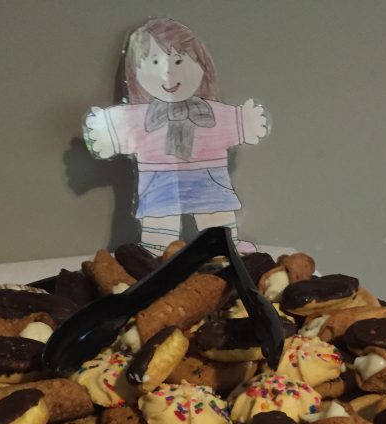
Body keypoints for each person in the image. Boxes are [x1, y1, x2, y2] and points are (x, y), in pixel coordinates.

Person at [83, 17, 269, 255]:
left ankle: (224, 247)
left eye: (179, 60)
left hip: (208, 179)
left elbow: (240, 122)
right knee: (160, 221)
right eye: (155, 62)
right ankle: (156, 252)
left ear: (202, 65)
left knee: (215, 214)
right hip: (159, 181)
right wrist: (104, 133)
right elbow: (116, 128)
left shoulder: (214, 113)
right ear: (136, 72)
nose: (168, 72)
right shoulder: (139, 117)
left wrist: (248, 121)